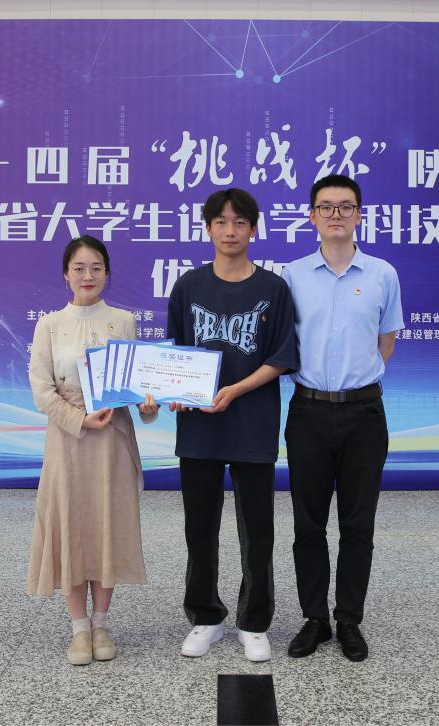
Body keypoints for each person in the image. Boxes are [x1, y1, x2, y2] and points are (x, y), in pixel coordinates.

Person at [166, 188, 299, 662]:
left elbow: (282, 356)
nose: (230, 231)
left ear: (253, 229)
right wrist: (174, 390)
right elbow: (174, 354)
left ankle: (254, 621)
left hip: (252, 424)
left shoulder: (273, 289)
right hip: (198, 429)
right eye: (220, 222)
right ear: (208, 228)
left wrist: (236, 390)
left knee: (257, 530)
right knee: (199, 529)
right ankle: (206, 616)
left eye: (239, 222)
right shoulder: (188, 286)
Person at [282, 174, 403, 662]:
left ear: (359, 215)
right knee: (308, 525)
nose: (336, 214)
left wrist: (355, 385)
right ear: (312, 216)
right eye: (326, 207)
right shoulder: (291, 276)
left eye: (346, 206)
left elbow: (386, 341)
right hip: (308, 411)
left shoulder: (382, 274)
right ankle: (315, 618)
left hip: (364, 415)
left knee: (358, 525)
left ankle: (349, 619)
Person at [27, 235, 160, 666]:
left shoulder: (123, 321)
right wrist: (79, 419)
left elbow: (137, 385)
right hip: (68, 440)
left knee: (107, 526)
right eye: (79, 268)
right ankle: (79, 629)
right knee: (71, 526)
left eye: (96, 268)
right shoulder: (49, 325)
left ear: (107, 273)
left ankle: (101, 624)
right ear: (65, 274)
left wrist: (148, 404)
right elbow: (42, 391)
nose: (88, 275)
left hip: (112, 440)